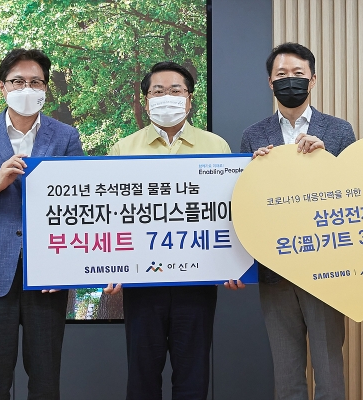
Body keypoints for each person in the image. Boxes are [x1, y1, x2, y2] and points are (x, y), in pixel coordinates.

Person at [0, 48, 84, 400]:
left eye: (35, 82)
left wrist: (66, 267)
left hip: (48, 272)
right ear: (3, 87)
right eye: (18, 81)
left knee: (46, 379)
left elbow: (80, 200)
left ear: (46, 88)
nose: (27, 88)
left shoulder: (66, 136)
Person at [106, 61, 237, 400]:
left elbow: (230, 213)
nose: (167, 97)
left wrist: (236, 263)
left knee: (193, 378)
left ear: (190, 99)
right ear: (146, 100)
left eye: (176, 90)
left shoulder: (216, 147)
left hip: (197, 282)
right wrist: (108, 266)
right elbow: (111, 216)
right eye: (158, 91)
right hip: (141, 282)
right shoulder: (123, 149)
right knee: (142, 379)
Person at [238, 42, 355, 400]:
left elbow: (356, 195)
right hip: (275, 271)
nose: (290, 80)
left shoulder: (338, 131)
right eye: (282, 74)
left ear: (313, 79)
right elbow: (245, 205)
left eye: (298, 74)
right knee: (287, 374)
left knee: (329, 372)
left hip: (327, 270)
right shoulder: (253, 136)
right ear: (270, 83)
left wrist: (326, 159)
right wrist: (254, 170)